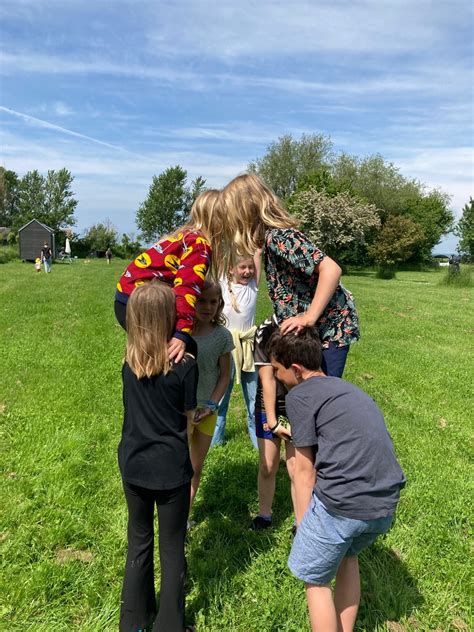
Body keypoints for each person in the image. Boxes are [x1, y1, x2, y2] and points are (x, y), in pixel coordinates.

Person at [267, 329, 406, 632]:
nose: (276, 379)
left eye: (277, 371)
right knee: (348, 557)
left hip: (343, 504)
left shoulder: (299, 396)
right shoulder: (345, 388)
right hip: (384, 503)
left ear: (296, 370)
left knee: (315, 581)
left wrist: (304, 526)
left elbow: (304, 472)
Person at [118, 281, 197, 632]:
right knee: (171, 546)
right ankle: (169, 625)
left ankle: (133, 621)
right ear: (171, 318)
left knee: (138, 541)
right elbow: (188, 415)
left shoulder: (128, 363)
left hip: (134, 463)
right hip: (171, 468)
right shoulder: (186, 366)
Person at [115, 189, 224, 362]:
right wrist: (181, 333)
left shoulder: (186, 236)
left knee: (154, 358)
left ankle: (140, 386)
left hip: (128, 299)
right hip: (142, 304)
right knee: (183, 354)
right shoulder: (199, 245)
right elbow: (186, 288)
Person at [188, 281, 233, 517]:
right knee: (178, 467)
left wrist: (211, 405)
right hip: (181, 412)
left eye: (213, 302)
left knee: (195, 468)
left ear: (220, 304)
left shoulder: (222, 337)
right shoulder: (180, 333)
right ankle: (172, 516)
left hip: (207, 411)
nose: (207, 307)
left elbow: (225, 375)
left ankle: (185, 516)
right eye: (201, 300)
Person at [211, 251, 262, 449]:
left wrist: (256, 248)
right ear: (231, 269)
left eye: (250, 267)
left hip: (249, 349)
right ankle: (215, 442)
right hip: (225, 349)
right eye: (243, 267)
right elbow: (218, 254)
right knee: (221, 396)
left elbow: (258, 254)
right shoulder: (223, 284)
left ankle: (259, 442)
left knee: (253, 396)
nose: (248, 271)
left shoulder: (253, 287)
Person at [250, 315, 295, 531]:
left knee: (297, 468)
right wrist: (272, 421)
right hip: (268, 406)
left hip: (297, 408)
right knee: (267, 465)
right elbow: (267, 379)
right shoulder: (266, 329)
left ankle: (301, 520)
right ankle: (264, 515)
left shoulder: (305, 326)